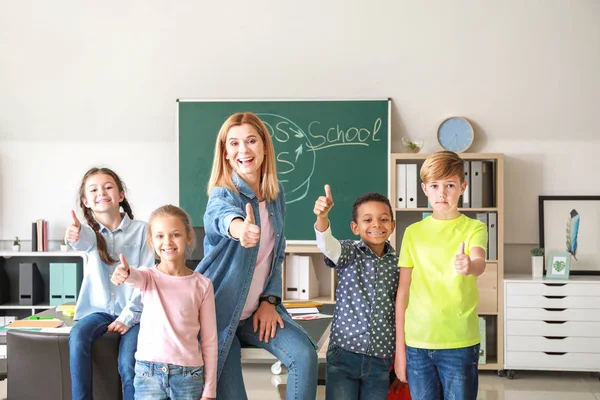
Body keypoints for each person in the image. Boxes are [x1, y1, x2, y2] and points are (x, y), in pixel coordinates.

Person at [195, 112, 318, 400]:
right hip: (218, 317)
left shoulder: (276, 194)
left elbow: (276, 255)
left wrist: (270, 300)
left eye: (251, 141)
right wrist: (240, 229)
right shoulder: (222, 195)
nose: (244, 151)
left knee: (304, 355)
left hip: (255, 313)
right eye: (234, 144)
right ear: (225, 153)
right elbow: (221, 218)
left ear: (264, 147)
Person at [394, 151, 488, 400]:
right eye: (435, 185)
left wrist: (469, 265)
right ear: (424, 188)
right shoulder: (412, 233)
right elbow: (403, 291)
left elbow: (479, 261)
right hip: (417, 344)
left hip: (459, 343)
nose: (442, 193)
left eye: (450, 185)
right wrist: (400, 351)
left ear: (463, 187)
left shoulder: (474, 228)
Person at [65, 167, 155, 400]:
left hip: (135, 315)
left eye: (108, 187)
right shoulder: (89, 233)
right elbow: (79, 240)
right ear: (86, 202)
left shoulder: (143, 231)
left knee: (128, 364)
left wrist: (128, 317)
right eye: (93, 190)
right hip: (98, 312)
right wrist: (72, 235)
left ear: (121, 195)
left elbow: (147, 278)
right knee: (77, 337)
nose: (101, 193)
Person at [111, 204, 218, 400]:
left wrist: (209, 390)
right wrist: (125, 273)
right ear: (152, 241)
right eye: (160, 236)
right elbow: (134, 276)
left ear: (188, 237)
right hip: (147, 375)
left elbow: (209, 340)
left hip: (188, 376)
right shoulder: (148, 277)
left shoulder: (203, 285)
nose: (167, 242)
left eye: (175, 234)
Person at [314, 186, 399, 399]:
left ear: (393, 225)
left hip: (381, 358)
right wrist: (322, 218)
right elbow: (327, 245)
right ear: (355, 227)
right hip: (344, 353)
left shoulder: (399, 263)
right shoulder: (349, 252)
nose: (376, 225)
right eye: (367, 220)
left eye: (384, 219)